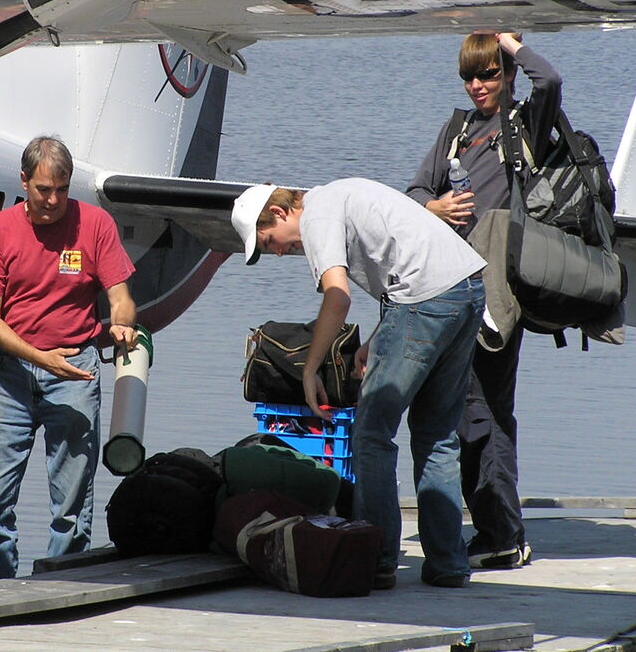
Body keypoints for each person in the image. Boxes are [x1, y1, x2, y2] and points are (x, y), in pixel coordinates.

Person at [231, 179, 486, 589]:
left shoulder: (317, 215)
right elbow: (406, 260)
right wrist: (378, 337)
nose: (277, 251)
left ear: (279, 213)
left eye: (268, 241)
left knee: (371, 433)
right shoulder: (340, 195)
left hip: (425, 299)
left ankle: (378, 558)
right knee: (437, 435)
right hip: (468, 288)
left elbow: (338, 297)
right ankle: (449, 563)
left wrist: (310, 368)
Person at [406, 31, 562, 571]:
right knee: (469, 410)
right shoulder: (457, 130)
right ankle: (497, 529)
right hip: (452, 286)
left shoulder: (522, 125)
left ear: (508, 76)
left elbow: (552, 80)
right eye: (469, 76)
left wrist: (508, 43)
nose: (477, 86)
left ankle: (501, 532)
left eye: (489, 74)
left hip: (498, 289)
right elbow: (414, 192)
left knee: (483, 410)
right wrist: (436, 207)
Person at [0, 136, 137, 581]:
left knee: (72, 507)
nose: (53, 200)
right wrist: (40, 357)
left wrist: (121, 323)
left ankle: (59, 592)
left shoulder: (95, 225)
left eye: (62, 189)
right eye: (43, 189)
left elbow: (121, 297)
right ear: (23, 181)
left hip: (76, 372)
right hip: (10, 377)